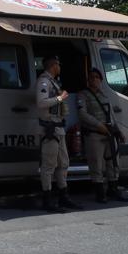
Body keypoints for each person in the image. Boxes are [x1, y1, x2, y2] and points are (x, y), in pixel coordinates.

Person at [78, 68, 128, 204]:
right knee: (96, 164)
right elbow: (82, 114)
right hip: (94, 134)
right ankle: (100, 193)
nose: (94, 79)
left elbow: (111, 115)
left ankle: (113, 190)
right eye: (91, 77)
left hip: (109, 134)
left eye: (97, 77)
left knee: (113, 163)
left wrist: (118, 131)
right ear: (88, 80)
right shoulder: (83, 95)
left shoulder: (105, 95)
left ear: (100, 80)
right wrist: (98, 125)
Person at [35, 56, 77, 212]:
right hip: (50, 129)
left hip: (58, 128)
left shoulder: (53, 82)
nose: (60, 67)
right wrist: (60, 98)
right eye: (58, 64)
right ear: (53, 65)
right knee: (48, 165)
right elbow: (41, 102)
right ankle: (47, 200)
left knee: (63, 163)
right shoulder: (43, 81)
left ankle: (63, 196)